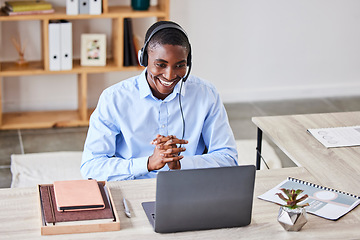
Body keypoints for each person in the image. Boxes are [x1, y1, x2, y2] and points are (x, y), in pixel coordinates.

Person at [81, 21, 238, 181]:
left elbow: (229, 159)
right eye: (160, 65)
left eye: (179, 65)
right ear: (143, 58)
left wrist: (181, 164)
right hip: (132, 187)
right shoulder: (114, 98)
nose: (170, 76)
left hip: (187, 185)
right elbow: (91, 167)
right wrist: (148, 163)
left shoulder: (206, 94)